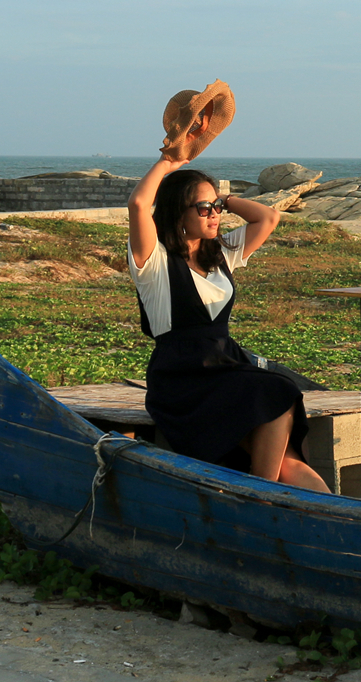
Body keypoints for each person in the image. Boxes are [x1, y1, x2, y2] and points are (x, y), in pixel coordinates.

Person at [128, 149, 329, 492]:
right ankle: (259, 494)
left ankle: (343, 519)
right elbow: (137, 205)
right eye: (204, 209)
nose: (215, 215)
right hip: (183, 377)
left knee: (287, 460)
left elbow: (267, 218)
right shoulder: (154, 263)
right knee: (277, 389)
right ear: (178, 212)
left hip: (225, 366)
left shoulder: (220, 253)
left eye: (216, 208)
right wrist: (168, 163)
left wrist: (221, 198)